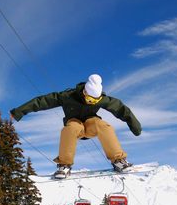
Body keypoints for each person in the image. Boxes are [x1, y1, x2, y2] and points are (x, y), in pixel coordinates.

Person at [10, 74, 142, 179]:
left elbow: (121, 109)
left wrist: (135, 126)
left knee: (102, 125)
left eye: (95, 101)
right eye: (90, 99)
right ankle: (64, 165)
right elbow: (41, 101)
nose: (92, 102)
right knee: (71, 128)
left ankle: (118, 160)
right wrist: (19, 111)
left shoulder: (102, 99)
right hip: (74, 123)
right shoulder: (67, 96)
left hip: (91, 124)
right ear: (85, 91)